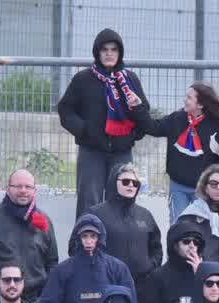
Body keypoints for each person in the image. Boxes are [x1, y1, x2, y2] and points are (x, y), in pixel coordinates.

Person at [58, 28, 151, 214]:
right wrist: (84, 130)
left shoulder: (130, 80)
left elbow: (144, 112)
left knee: (121, 199)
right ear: (97, 52)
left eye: (114, 49)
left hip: (121, 152)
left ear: (120, 53)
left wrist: (132, 135)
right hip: (91, 151)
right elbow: (65, 109)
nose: (109, 53)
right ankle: (86, 242)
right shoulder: (83, 79)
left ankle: (116, 243)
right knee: (89, 202)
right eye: (104, 49)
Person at [80, 162, 164, 303]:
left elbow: (156, 248)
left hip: (140, 287)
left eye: (135, 183)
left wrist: (150, 265)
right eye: (125, 181)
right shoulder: (96, 213)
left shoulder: (145, 215)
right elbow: (78, 246)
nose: (131, 185)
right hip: (106, 286)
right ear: (113, 183)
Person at [0, 169, 59, 303]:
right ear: (7, 189)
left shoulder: (44, 220)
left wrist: (46, 295)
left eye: (28, 187)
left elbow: (52, 262)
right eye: (18, 186)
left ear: (34, 191)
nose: (23, 190)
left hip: (35, 301)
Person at [148, 82, 219, 221]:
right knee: (178, 225)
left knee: (204, 227)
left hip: (204, 188)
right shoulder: (177, 118)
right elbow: (153, 128)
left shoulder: (217, 125)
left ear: (200, 105)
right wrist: (137, 107)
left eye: (189, 97)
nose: (185, 100)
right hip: (178, 186)